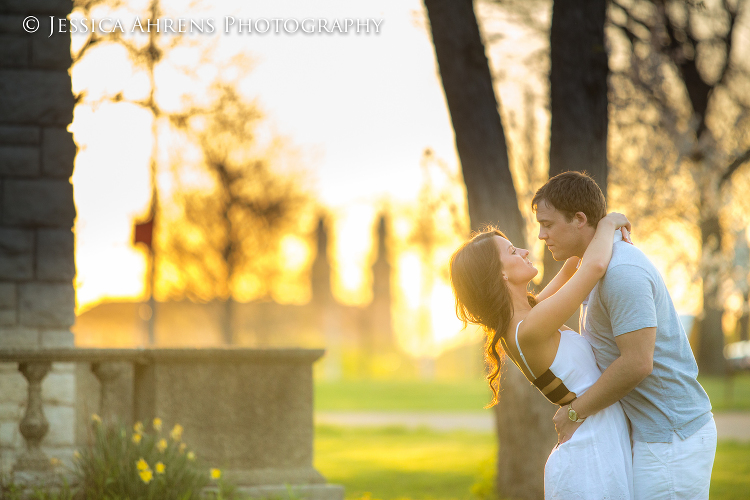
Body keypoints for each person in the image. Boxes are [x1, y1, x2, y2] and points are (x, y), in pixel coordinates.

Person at [534, 171, 716, 499]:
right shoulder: (593, 268)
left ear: (578, 219)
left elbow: (637, 363)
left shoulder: (621, 273)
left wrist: (575, 411)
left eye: (547, 224)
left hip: (672, 439)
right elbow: (533, 314)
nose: (541, 235)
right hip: (649, 436)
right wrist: (606, 224)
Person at [450, 212, 635, 499]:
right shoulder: (529, 328)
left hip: (597, 441)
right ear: (500, 273)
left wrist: (580, 226)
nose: (525, 250)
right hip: (589, 456)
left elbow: (572, 267)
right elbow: (594, 266)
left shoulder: (527, 315)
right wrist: (610, 222)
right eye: (513, 251)